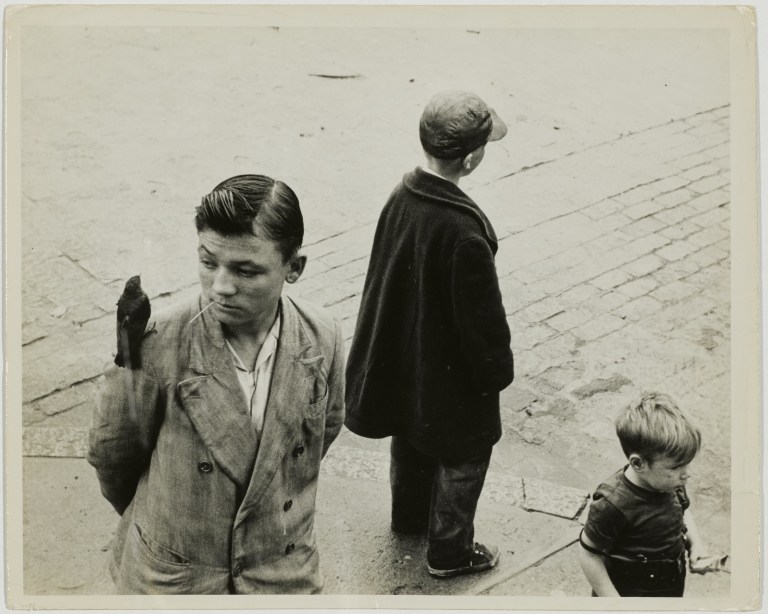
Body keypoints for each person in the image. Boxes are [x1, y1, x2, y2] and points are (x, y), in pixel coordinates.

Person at [88, 174, 345, 594]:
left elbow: (322, 435)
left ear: (293, 268)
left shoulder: (324, 335)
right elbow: (113, 456)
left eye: (246, 270)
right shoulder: (159, 341)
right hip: (176, 584)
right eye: (209, 262)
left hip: (280, 578)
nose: (221, 287)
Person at [344, 90, 515, 578]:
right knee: (464, 455)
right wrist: (494, 373)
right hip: (450, 373)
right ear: (472, 157)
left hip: (406, 357)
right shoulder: (464, 231)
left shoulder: (402, 196)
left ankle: (408, 518)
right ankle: (450, 552)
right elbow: (482, 321)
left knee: (411, 434)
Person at [578, 392, 723, 597]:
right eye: (676, 467)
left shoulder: (670, 480)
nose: (686, 473)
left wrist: (696, 544)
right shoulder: (612, 504)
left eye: (687, 464)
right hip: (628, 592)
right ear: (638, 464)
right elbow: (589, 555)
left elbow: (682, 511)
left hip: (668, 584)